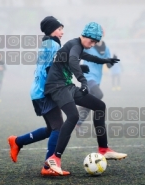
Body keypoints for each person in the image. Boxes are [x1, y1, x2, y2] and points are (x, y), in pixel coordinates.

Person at [44, 22, 127, 175]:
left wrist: (106, 61)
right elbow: (73, 61)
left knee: (99, 106)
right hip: (56, 87)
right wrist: (82, 80)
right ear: (85, 36)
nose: (93, 44)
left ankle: (104, 148)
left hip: (66, 86)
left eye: (95, 42)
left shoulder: (79, 46)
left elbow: (88, 57)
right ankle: (55, 158)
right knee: (73, 115)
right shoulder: (75, 45)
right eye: (92, 41)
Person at [7, 16, 70, 176]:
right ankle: (49, 166)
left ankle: (17, 141)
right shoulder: (53, 44)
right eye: (59, 29)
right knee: (59, 128)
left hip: (38, 92)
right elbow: (51, 70)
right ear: (51, 30)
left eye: (62, 29)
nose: (62, 32)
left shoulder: (46, 43)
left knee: (51, 129)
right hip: (46, 92)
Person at [75, 28, 112, 133]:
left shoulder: (106, 48)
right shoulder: (88, 46)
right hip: (88, 77)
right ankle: (81, 106)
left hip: (97, 78)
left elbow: (108, 65)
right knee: (98, 95)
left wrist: (112, 60)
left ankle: (77, 123)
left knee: (90, 100)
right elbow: (77, 54)